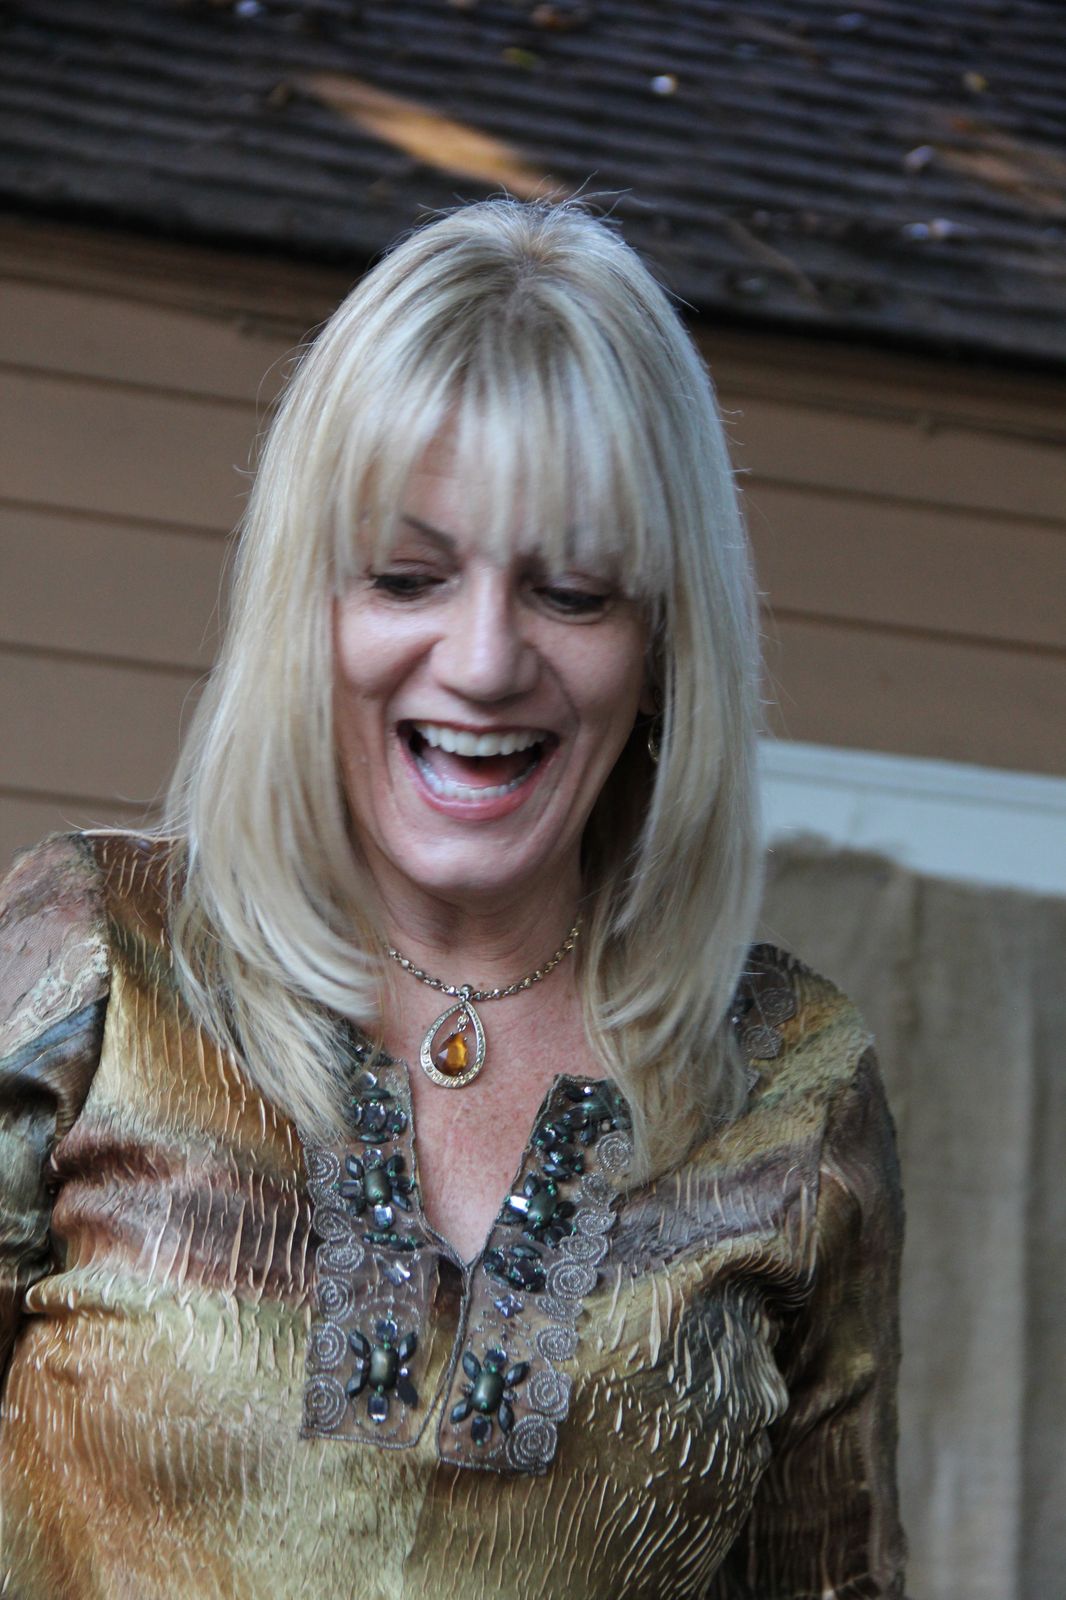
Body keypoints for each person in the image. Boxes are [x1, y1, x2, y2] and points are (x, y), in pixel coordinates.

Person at [0, 199, 906, 1597]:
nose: (484, 662)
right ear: (310, 608)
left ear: (665, 647)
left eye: (574, 592)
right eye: (408, 578)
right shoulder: (97, 959)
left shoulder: (793, 1084)